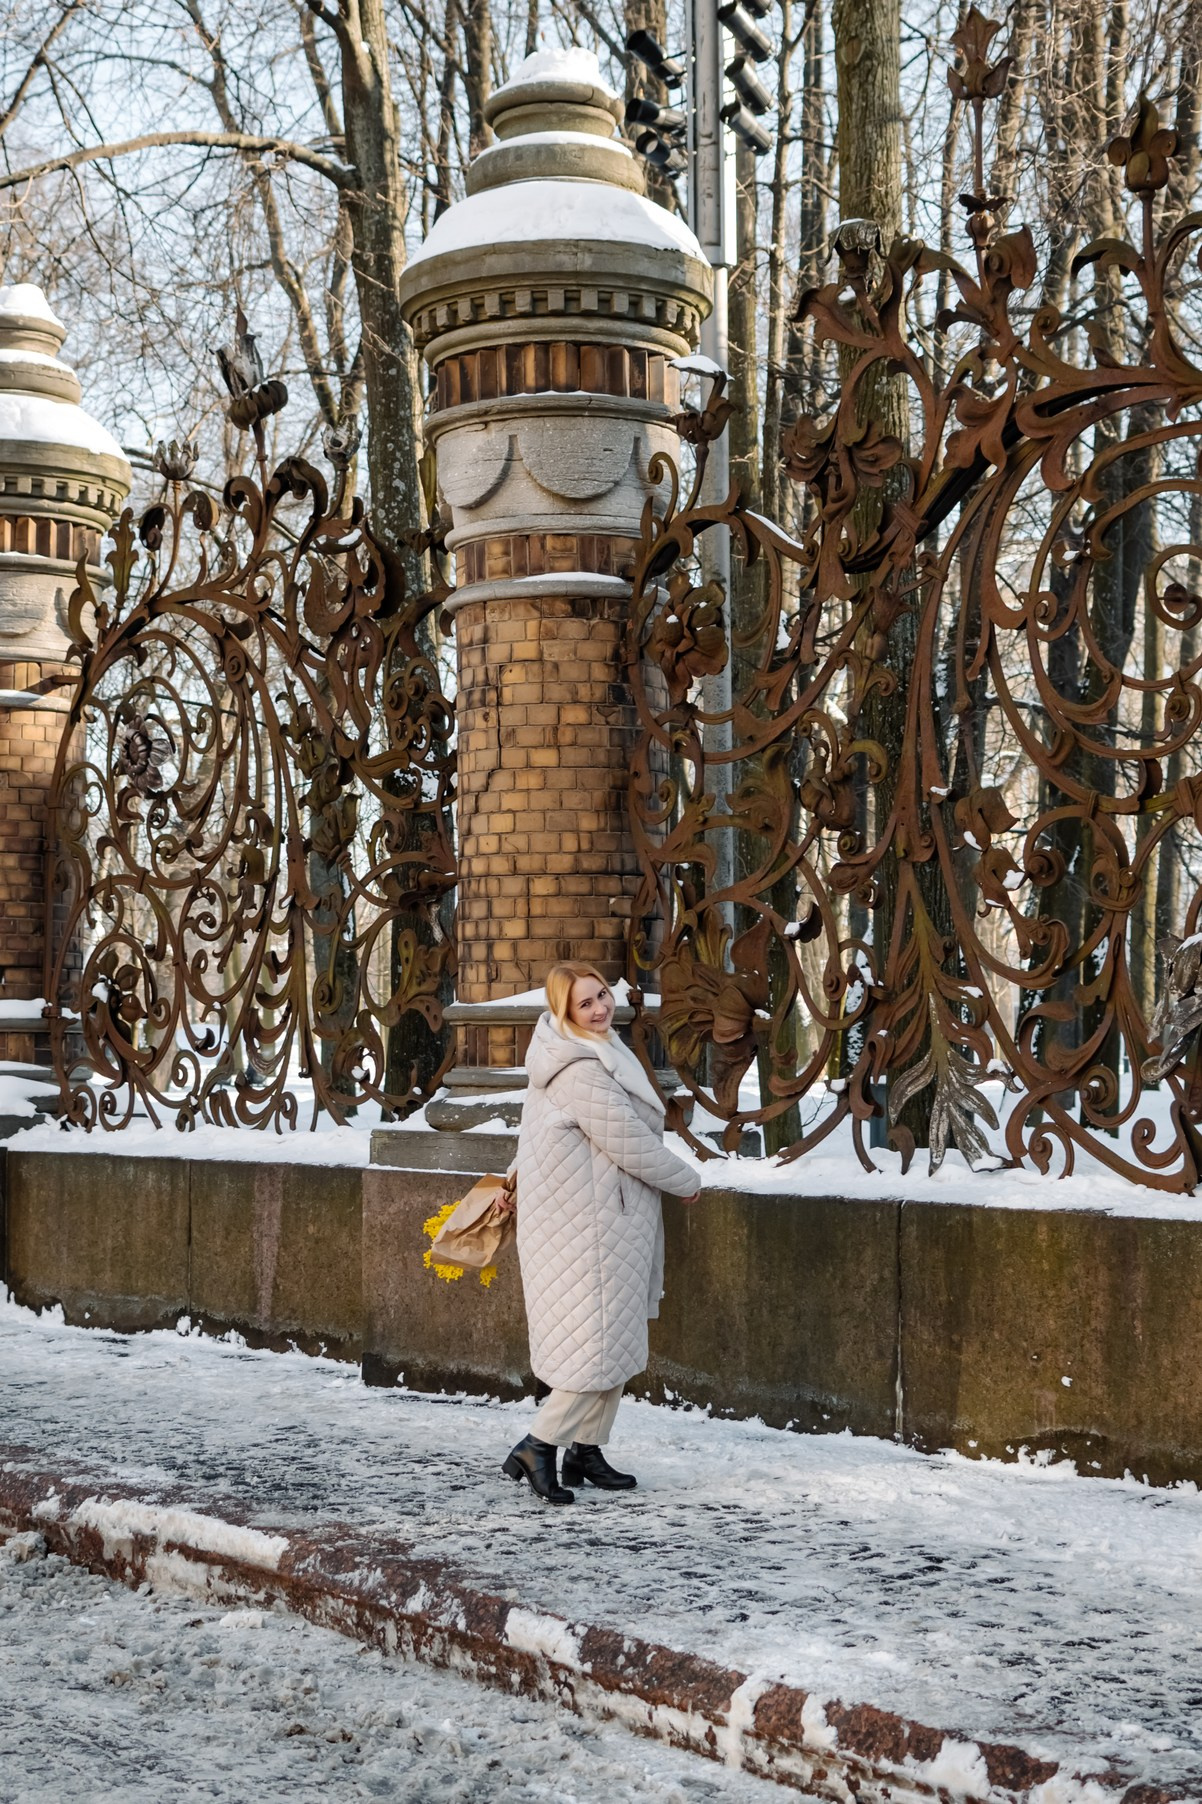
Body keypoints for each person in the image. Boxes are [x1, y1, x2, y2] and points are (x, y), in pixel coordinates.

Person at [502, 961, 701, 1505]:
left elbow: (534, 1139)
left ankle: (585, 1449)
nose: (600, 1008)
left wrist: (514, 1180)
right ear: (563, 1012)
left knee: (619, 1338)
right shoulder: (578, 1068)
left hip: (603, 1220)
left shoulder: (593, 1048)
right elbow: (629, 1141)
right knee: (594, 1347)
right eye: (585, 1003)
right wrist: (685, 1179)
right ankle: (537, 1445)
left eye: (602, 996)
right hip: (584, 1229)